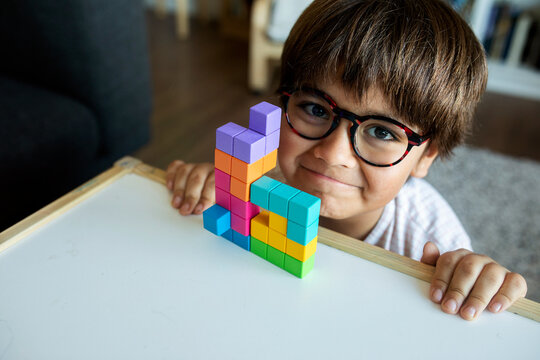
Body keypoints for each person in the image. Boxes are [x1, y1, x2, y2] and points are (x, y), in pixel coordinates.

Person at [165, 0, 527, 320]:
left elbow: (467, 299)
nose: (332, 153)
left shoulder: (428, 240)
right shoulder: (259, 176)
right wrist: (208, 185)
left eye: (383, 132)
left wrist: (474, 277)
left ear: (425, 156)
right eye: (314, 108)